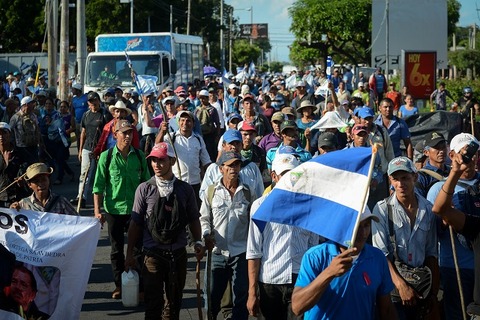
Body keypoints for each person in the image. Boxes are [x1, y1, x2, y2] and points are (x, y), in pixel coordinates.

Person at [125, 142, 203, 320]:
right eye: (153, 160)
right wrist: (129, 254)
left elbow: (193, 219)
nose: (156, 165)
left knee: (173, 306)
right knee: (153, 305)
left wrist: (198, 242)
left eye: (161, 160)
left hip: (178, 255)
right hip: (152, 255)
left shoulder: (185, 190)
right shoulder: (144, 189)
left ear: (172, 161)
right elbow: (135, 224)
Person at [246, 153, 318, 320]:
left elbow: (313, 248)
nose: (290, 180)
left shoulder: (309, 207)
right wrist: (252, 292)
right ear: (274, 176)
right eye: (284, 175)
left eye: (294, 175)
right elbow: (254, 251)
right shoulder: (260, 206)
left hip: (300, 279)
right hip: (270, 281)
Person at [291, 207, 397, 320]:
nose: (363, 233)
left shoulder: (377, 257)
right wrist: (329, 273)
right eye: (357, 226)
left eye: (366, 225)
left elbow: (386, 309)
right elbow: (298, 307)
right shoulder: (315, 256)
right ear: (340, 227)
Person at [372, 157, 439, 320]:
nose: (401, 184)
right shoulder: (381, 209)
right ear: (390, 181)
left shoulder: (428, 209)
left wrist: (433, 294)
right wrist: (402, 287)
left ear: (414, 177)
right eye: (396, 179)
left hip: (422, 286)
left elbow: (431, 253)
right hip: (393, 290)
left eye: (405, 178)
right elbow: (381, 255)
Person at [92, 119, 150, 299]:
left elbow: (147, 184)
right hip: (113, 209)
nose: (127, 136)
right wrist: (97, 210)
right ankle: (119, 285)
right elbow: (98, 186)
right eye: (123, 132)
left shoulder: (140, 156)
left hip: (135, 210)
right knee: (116, 250)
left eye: (130, 132)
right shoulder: (106, 157)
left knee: (138, 250)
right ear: (115, 134)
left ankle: (139, 287)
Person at [427, 133, 479, 320]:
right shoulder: (438, 190)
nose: (471, 158)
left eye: (474, 152)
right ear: (452, 156)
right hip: (455, 267)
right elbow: (432, 233)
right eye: (465, 152)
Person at [200, 151, 255, 320]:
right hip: (217, 252)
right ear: (221, 169)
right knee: (212, 296)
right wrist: (206, 234)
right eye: (229, 165)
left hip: (240, 252)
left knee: (241, 296)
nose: (234, 169)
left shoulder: (247, 192)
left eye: (236, 165)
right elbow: (204, 218)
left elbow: (253, 222)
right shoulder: (211, 192)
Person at [159, 110, 211, 206]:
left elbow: (206, 161)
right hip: (177, 183)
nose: (185, 123)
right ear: (178, 122)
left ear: (193, 123)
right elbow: (158, 145)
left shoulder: (198, 139)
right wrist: (162, 131)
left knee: (194, 213)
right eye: (182, 120)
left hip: (195, 184)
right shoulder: (171, 137)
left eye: (188, 121)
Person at [70, 92, 106, 208]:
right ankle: (81, 197)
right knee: (84, 174)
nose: (93, 103)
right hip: (87, 147)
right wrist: (80, 150)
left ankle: (104, 198)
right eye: (90, 101)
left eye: (94, 100)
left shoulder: (104, 115)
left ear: (98, 101)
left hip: (100, 149)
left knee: (101, 174)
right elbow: (83, 133)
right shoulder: (86, 115)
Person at [10, 162, 78, 215]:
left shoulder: (61, 202)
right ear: (29, 185)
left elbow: (78, 224)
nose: (40, 184)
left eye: (44, 180)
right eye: (36, 181)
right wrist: (13, 212)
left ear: (49, 180)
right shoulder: (23, 205)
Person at [414, 131, 450, 197]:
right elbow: (419, 201)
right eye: (437, 148)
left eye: (443, 147)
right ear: (426, 152)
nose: (441, 151)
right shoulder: (422, 177)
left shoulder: (452, 171)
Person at [9, 96, 43, 165]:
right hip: (21, 147)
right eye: (31, 104)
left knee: (34, 165)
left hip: (33, 146)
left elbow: (37, 130)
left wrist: (41, 142)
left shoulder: (33, 115)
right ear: (26, 105)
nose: (33, 106)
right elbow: (10, 131)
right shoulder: (16, 117)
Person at [195, 89, 221, 162]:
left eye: (204, 98)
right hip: (199, 135)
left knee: (210, 154)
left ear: (207, 98)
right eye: (201, 98)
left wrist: (217, 136)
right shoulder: (197, 109)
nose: (202, 100)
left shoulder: (212, 110)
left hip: (210, 136)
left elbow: (217, 123)